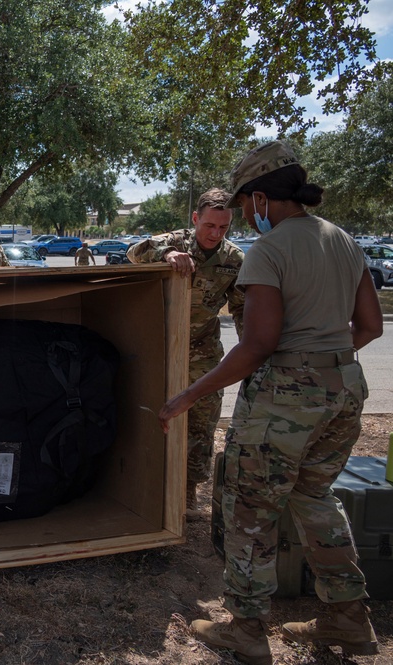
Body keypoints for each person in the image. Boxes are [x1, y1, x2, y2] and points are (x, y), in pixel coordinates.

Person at [158, 142, 382, 664]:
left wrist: (188, 395)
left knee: (250, 510)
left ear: (262, 198)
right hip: (345, 391)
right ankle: (348, 618)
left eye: (246, 206)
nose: (244, 217)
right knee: (314, 498)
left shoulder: (270, 250)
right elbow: (369, 326)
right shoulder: (344, 240)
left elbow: (257, 345)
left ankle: (247, 630)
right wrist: (324, 355)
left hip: (286, 402)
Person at [128, 188, 245, 519]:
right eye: (209, 225)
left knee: (201, 425)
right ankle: (145, 484)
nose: (215, 234)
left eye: (223, 228)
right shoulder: (175, 241)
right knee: (150, 412)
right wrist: (167, 254)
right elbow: (134, 252)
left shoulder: (234, 260)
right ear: (196, 219)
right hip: (162, 346)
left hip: (204, 352)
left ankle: (188, 492)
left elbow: (242, 311)